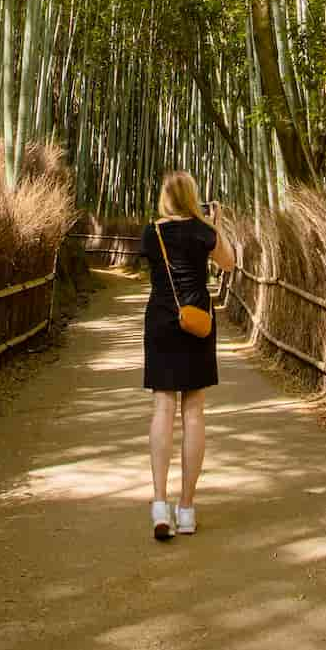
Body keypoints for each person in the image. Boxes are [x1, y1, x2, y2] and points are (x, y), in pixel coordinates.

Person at [139, 169, 238, 541]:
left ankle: (159, 504)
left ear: (165, 196)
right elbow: (229, 263)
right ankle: (187, 509)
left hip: (162, 321)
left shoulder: (153, 231)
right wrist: (214, 224)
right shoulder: (203, 231)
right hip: (197, 321)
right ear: (192, 196)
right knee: (193, 410)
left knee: (162, 408)